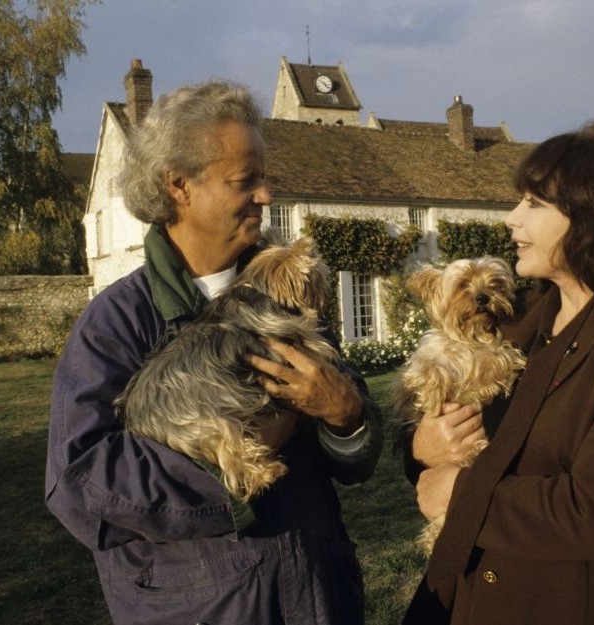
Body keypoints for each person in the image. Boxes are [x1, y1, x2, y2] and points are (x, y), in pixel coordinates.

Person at [45, 80, 383, 625]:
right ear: (179, 186)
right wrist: (229, 465)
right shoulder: (117, 322)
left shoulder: (286, 290)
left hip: (321, 596)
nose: (267, 196)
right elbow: (82, 481)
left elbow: (356, 459)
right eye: (244, 182)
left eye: (264, 178)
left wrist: (346, 416)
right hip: (203, 607)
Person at [402, 120, 594, 625]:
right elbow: (446, 425)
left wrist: (458, 493)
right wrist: (422, 447)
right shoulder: (519, 317)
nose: (511, 219)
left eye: (533, 203)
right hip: (465, 597)